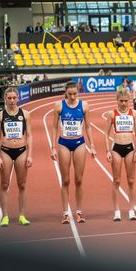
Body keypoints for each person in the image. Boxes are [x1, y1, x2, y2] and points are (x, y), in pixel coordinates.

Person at [51, 81, 97, 223]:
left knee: (78, 179)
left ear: (78, 92)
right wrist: (53, 147)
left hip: (79, 143)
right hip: (64, 143)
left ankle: (79, 212)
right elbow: (54, 128)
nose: (72, 96)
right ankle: (65, 213)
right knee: (65, 180)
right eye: (69, 94)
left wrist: (93, 145)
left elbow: (88, 127)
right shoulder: (58, 106)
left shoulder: (84, 105)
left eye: (74, 93)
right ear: (65, 92)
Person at [0, 87, 33, 227]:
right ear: (5, 98)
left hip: (21, 150)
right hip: (5, 150)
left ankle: (22, 215)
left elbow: (29, 135)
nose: (11, 100)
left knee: (22, 184)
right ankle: (5, 216)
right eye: (9, 98)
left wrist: (30, 155)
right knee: (4, 184)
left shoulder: (25, 114)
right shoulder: (0, 115)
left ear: (18, 98)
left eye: (13, 98)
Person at [104, 88, 136, 221]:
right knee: (117, 180)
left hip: (130, 148)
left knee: (131, 180)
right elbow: (106, 133)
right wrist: (107, 150)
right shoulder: (112, 114)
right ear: (117, 100)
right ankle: (117, 211)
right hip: (116, 148)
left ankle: (131, 210)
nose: (124, 103)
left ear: (130, 100)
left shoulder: (134, 113)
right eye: (121, 101)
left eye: (126, 101)